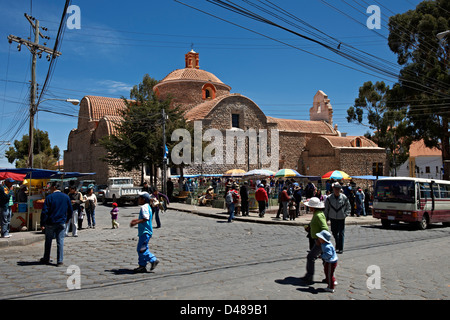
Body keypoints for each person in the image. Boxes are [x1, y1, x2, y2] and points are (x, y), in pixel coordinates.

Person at [40, 182, 73, 266]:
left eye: (51, 187)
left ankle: (46, 257)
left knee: (48, 241)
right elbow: (70, 210)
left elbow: (45, 212)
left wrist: (42, 223)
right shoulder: (66, 197)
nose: (50, 189)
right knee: (60, 241)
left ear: (54, 187)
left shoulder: (49, 197)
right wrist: (67, 219)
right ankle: (60, 260)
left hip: (50, 222)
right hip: (61, 222)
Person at [300, 197, 328, 285]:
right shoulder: (318, 213)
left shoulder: (318, 215)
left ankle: (309, 275)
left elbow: (325, 228)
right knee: (325, 259)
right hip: (319, 240)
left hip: (319, 241)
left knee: (311, 257)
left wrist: (320, 240)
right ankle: (329, 277)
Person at [130, 192, 159, 273]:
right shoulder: (147, 207)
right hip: (144, 232)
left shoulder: (144, 207)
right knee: (142, 248)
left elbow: (146, 218)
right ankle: (142, 266)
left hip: (145, 232)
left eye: (140, 198)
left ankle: (153, 260)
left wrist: (136, 222)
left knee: (141, 249)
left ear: (143, 199)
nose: (138, 199)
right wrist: (137, 220)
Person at [324, 182, 351, 254]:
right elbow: (326, 208)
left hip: (341, 217)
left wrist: (346, 214)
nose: (337, 190)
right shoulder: (329, 198)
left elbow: (348, 206)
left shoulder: (344, 197)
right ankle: (337, 243)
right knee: (334, 232)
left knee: (341, 233)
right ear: (333, 189)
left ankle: (340, 248)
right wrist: (325, 217)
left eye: (338, 189)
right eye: (335, 189)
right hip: (333, 217)